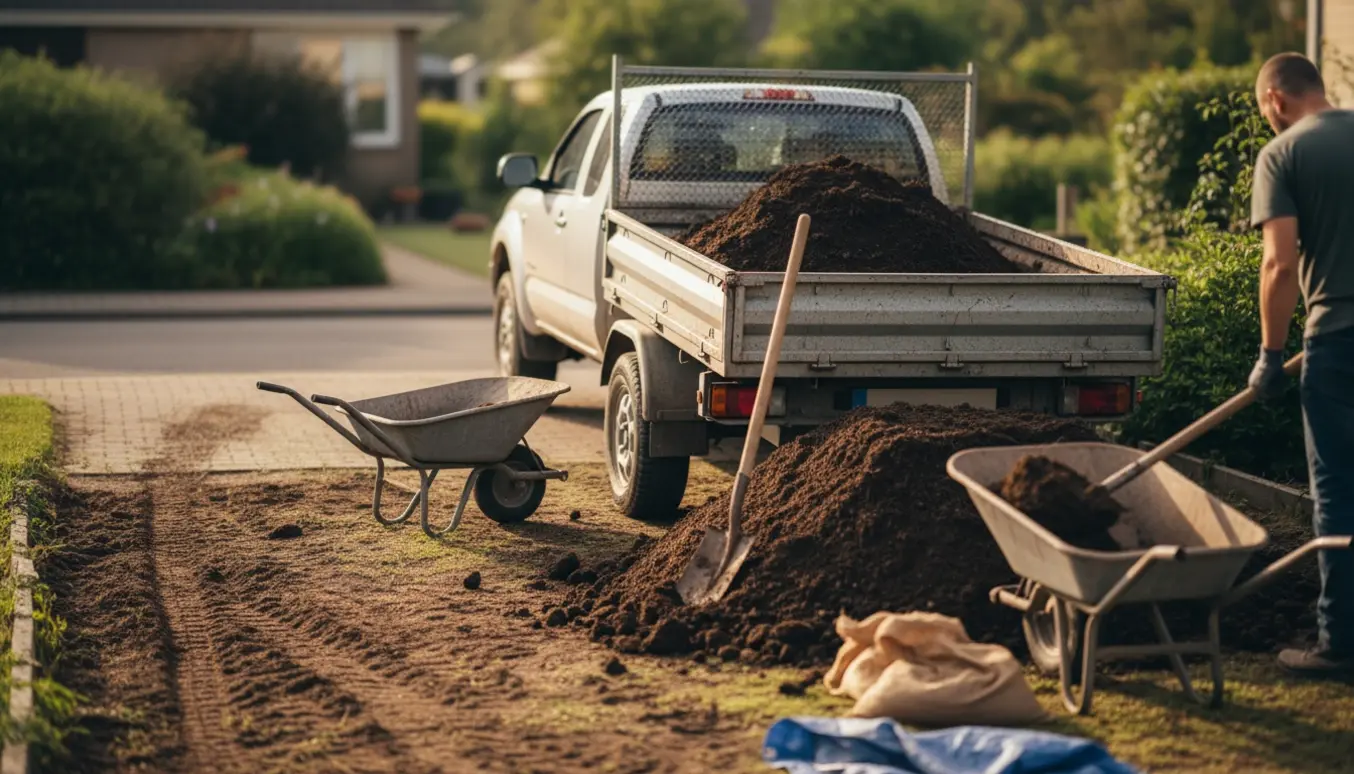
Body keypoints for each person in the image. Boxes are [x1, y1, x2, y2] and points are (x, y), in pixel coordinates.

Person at [1248, 52, 1354, 675]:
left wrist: (1270, 354)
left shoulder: (1282, 155)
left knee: (1339, 497)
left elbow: (1281, 265)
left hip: (1338, 341)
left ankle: (1338, 645)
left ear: (1276, 101)